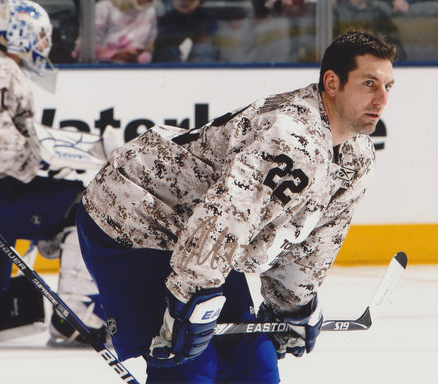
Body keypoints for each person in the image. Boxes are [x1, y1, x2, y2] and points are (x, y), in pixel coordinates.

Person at [77, 29, 396, 382]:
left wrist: (292, 305)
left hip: (194, 237)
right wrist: (190, 302)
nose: (381, 99)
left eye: (387, 86)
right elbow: (226, 218)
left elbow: (316, 243)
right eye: (369, 84)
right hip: (134, 215)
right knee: (188, 363)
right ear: (332, 83)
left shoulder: (356, 156)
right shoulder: (291, 137)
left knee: (254, 365)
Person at [0, 0, 106, 346]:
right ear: (19, 34)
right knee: (84, 202)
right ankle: (75, 316)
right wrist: (49, 162)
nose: (45, 44)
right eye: (40, 36)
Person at [73, 0, 157, 64]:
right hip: (99, 67)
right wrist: (113, 55)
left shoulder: (150, 11)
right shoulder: (104, 8)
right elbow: (82, 48)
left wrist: (138, 56)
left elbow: (148, 49)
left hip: (134, 69)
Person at [152, 0, 218, 63]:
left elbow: (202, 55)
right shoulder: (164, 22)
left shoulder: (208, 22)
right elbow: (162, 55)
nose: (184, 2)